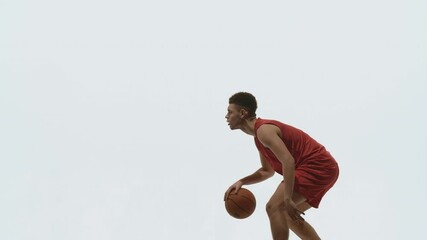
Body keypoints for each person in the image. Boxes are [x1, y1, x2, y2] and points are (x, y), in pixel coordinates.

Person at [224, 92, 339, 240]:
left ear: (242, 113)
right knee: (286, 216)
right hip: (326, 168)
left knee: (275, 207)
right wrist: (241, 182)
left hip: (317, 165)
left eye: (229, 112)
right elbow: (266, 171)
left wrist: (287, 198)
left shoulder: (263, 130)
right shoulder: (259, 138)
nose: (226, 116)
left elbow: (288, 161)